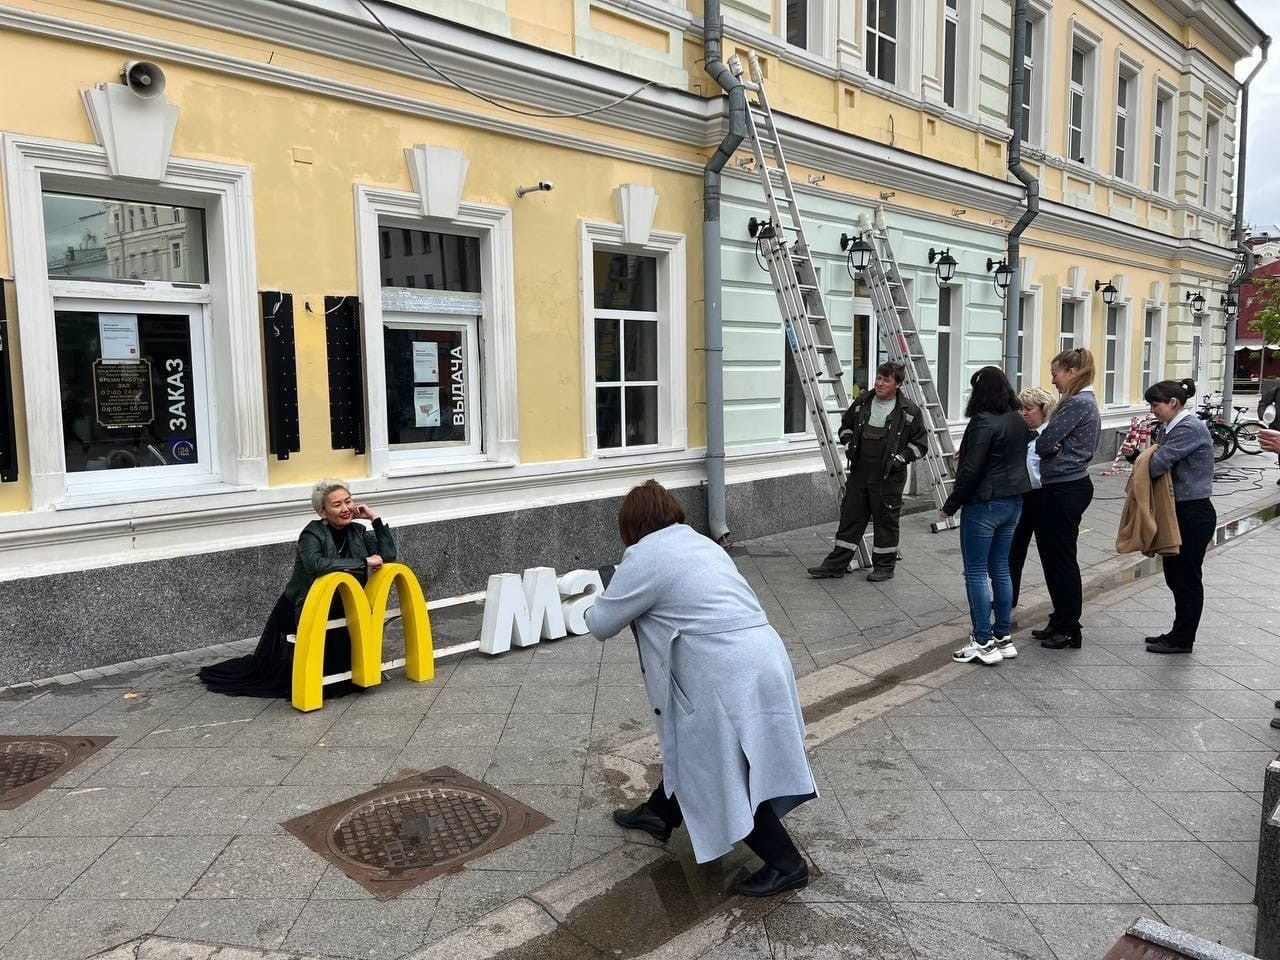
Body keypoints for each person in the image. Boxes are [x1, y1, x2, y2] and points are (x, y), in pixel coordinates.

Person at [586, 480, 817, 897]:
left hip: (723, 672)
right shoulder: (702, 543)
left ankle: (787, 863)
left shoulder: (645, 555)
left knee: (722, 769)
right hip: (763, 656)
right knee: (722, 756)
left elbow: (601, 624)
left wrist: (589, 603)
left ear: (631, 525)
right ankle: (659, 813)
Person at [198, 479, 396, 697]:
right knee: (282, 674)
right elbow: (316, 565)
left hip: (341, 606)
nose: (346, 508)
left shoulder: (358, 530)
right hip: (303, 605)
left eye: (348, 501)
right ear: (322, 512)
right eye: (337, 504)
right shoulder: (311, 533)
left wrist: (374, 519)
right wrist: (363, 562)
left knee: (344, 675)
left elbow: (387, 556)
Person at [808, 361, 929, 581]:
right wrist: (847, 442)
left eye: (886, 380)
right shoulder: (863, 401)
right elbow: (845, 426)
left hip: (888, 478)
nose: (880, 383)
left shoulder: (909, 411)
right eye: (878, 378)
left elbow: (920, 446)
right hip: (860, 473)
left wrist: (901, 459)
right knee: (850, 517)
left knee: (886, 521)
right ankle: (836, 565)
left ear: (898, 384)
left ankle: (884, 567)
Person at [943, 367, 1033, 665]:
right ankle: (1002, 636)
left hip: (984, 504)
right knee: (1001, 570)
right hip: (1013, 501)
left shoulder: (982, 421)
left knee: (976, 572)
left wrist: (951, 504)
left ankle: (982, 641)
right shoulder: (1017, 419)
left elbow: (971, 471)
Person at [1121, 379, 1215, 654]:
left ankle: (1183, 639)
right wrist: (1138, 457)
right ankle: (1178, 632)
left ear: (1173, 403)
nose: (1153, 411)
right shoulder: (1170, 427)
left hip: (1192, 512)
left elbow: (1158, 464)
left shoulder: (1187, 428)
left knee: (1186, 578)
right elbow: (1153, 461)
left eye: (1155, 405)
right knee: (1176, 576)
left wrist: (1141, 458)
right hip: (1179, 510)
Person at [1031, 348, 1102, 650]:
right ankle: (1060, 618)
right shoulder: (1079, 402)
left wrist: (1053, 447)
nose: (1053, 379)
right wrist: (1052, 446)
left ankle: (1069, 625)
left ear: (1072, 371)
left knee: (1061, 560)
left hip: (1065, 487)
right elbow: (1049, 442)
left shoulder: (1076, 403)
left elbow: (1044, 441)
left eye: (1056, 373)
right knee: (1053, 557)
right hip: (1063, 485)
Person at [1008, 387, 1058, 629]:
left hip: (1044, 496)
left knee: (1050, 554)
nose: (1023, 413)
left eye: (1028, 409)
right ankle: (1009, 604)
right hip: (1020, 496)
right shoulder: (1021, 433)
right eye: (1021, 409)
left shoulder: (1050, 435)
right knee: (1013, 552)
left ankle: (1059, 609)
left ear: (1043, 410)